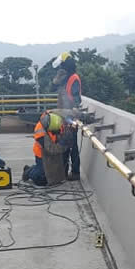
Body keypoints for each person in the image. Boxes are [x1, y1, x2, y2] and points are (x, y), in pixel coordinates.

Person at [52, 52, 82, 180]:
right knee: (64, 143)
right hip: (63, 115)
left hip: (70, 115)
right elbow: (52, 88)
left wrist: (72, 113)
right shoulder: (64, 78)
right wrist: (57, 80)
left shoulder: (73, 78)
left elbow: (76, 98)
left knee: (72, 145)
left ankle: (74, 172)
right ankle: (64, 171)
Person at [22, 111, 70, 186]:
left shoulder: (55, 120)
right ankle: (29, 172)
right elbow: (51, 149)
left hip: (52, 153)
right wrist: (63, 142)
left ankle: (36, 168)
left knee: (54, 177)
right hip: (42, 155)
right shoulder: (40, 133)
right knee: (41, 180)